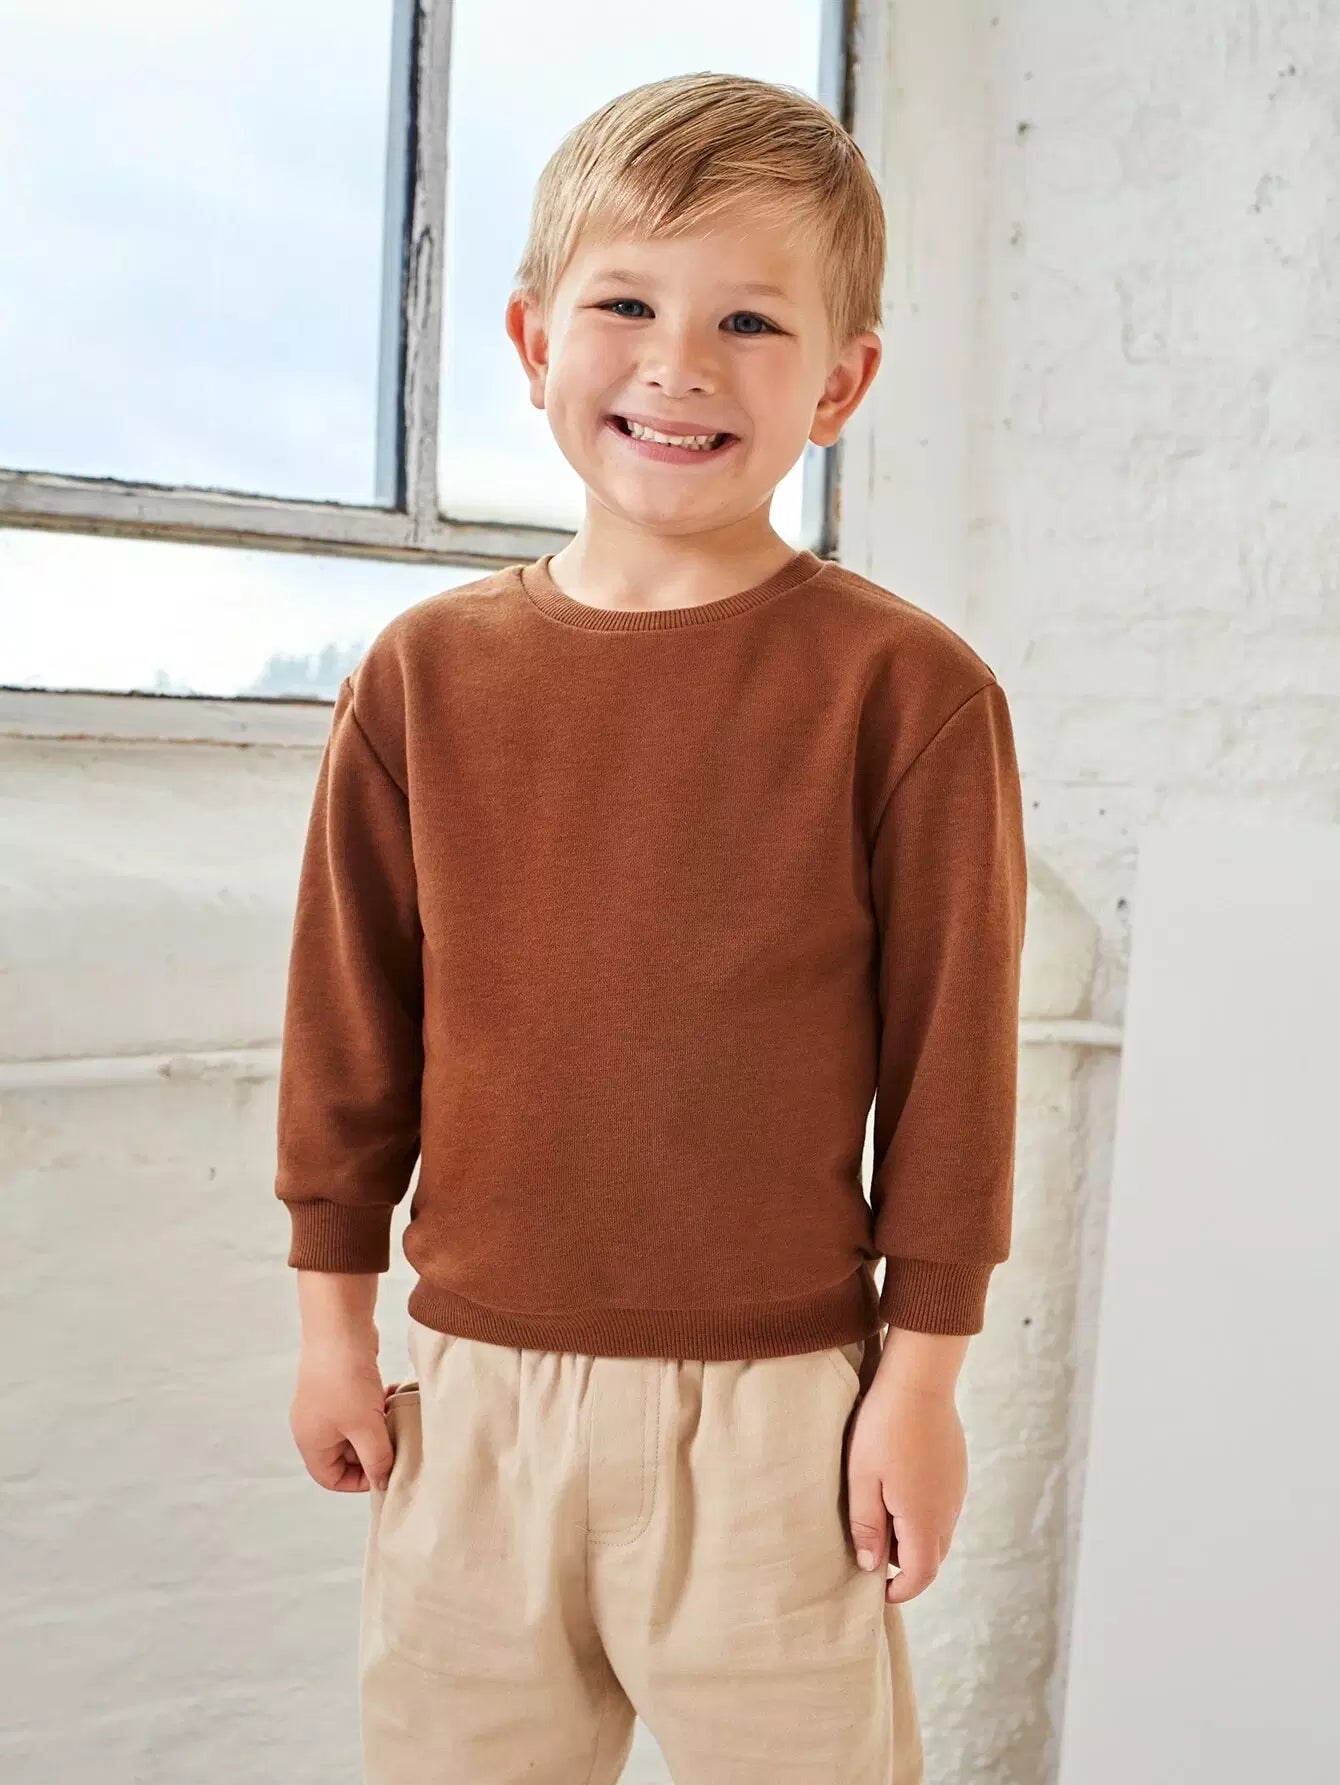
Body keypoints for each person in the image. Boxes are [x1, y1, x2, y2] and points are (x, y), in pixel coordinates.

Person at [275, 69, 1028, 1785]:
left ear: (838, 383)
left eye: (749, 321)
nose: (679, 364)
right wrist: (332, 1324)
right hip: (473, 1402)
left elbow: (952, 1071)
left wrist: (920, 1381)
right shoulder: (423, 679)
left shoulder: (905, 693)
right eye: (627, 305)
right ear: (536, 339)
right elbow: (351, 1027)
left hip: (779, 1416)